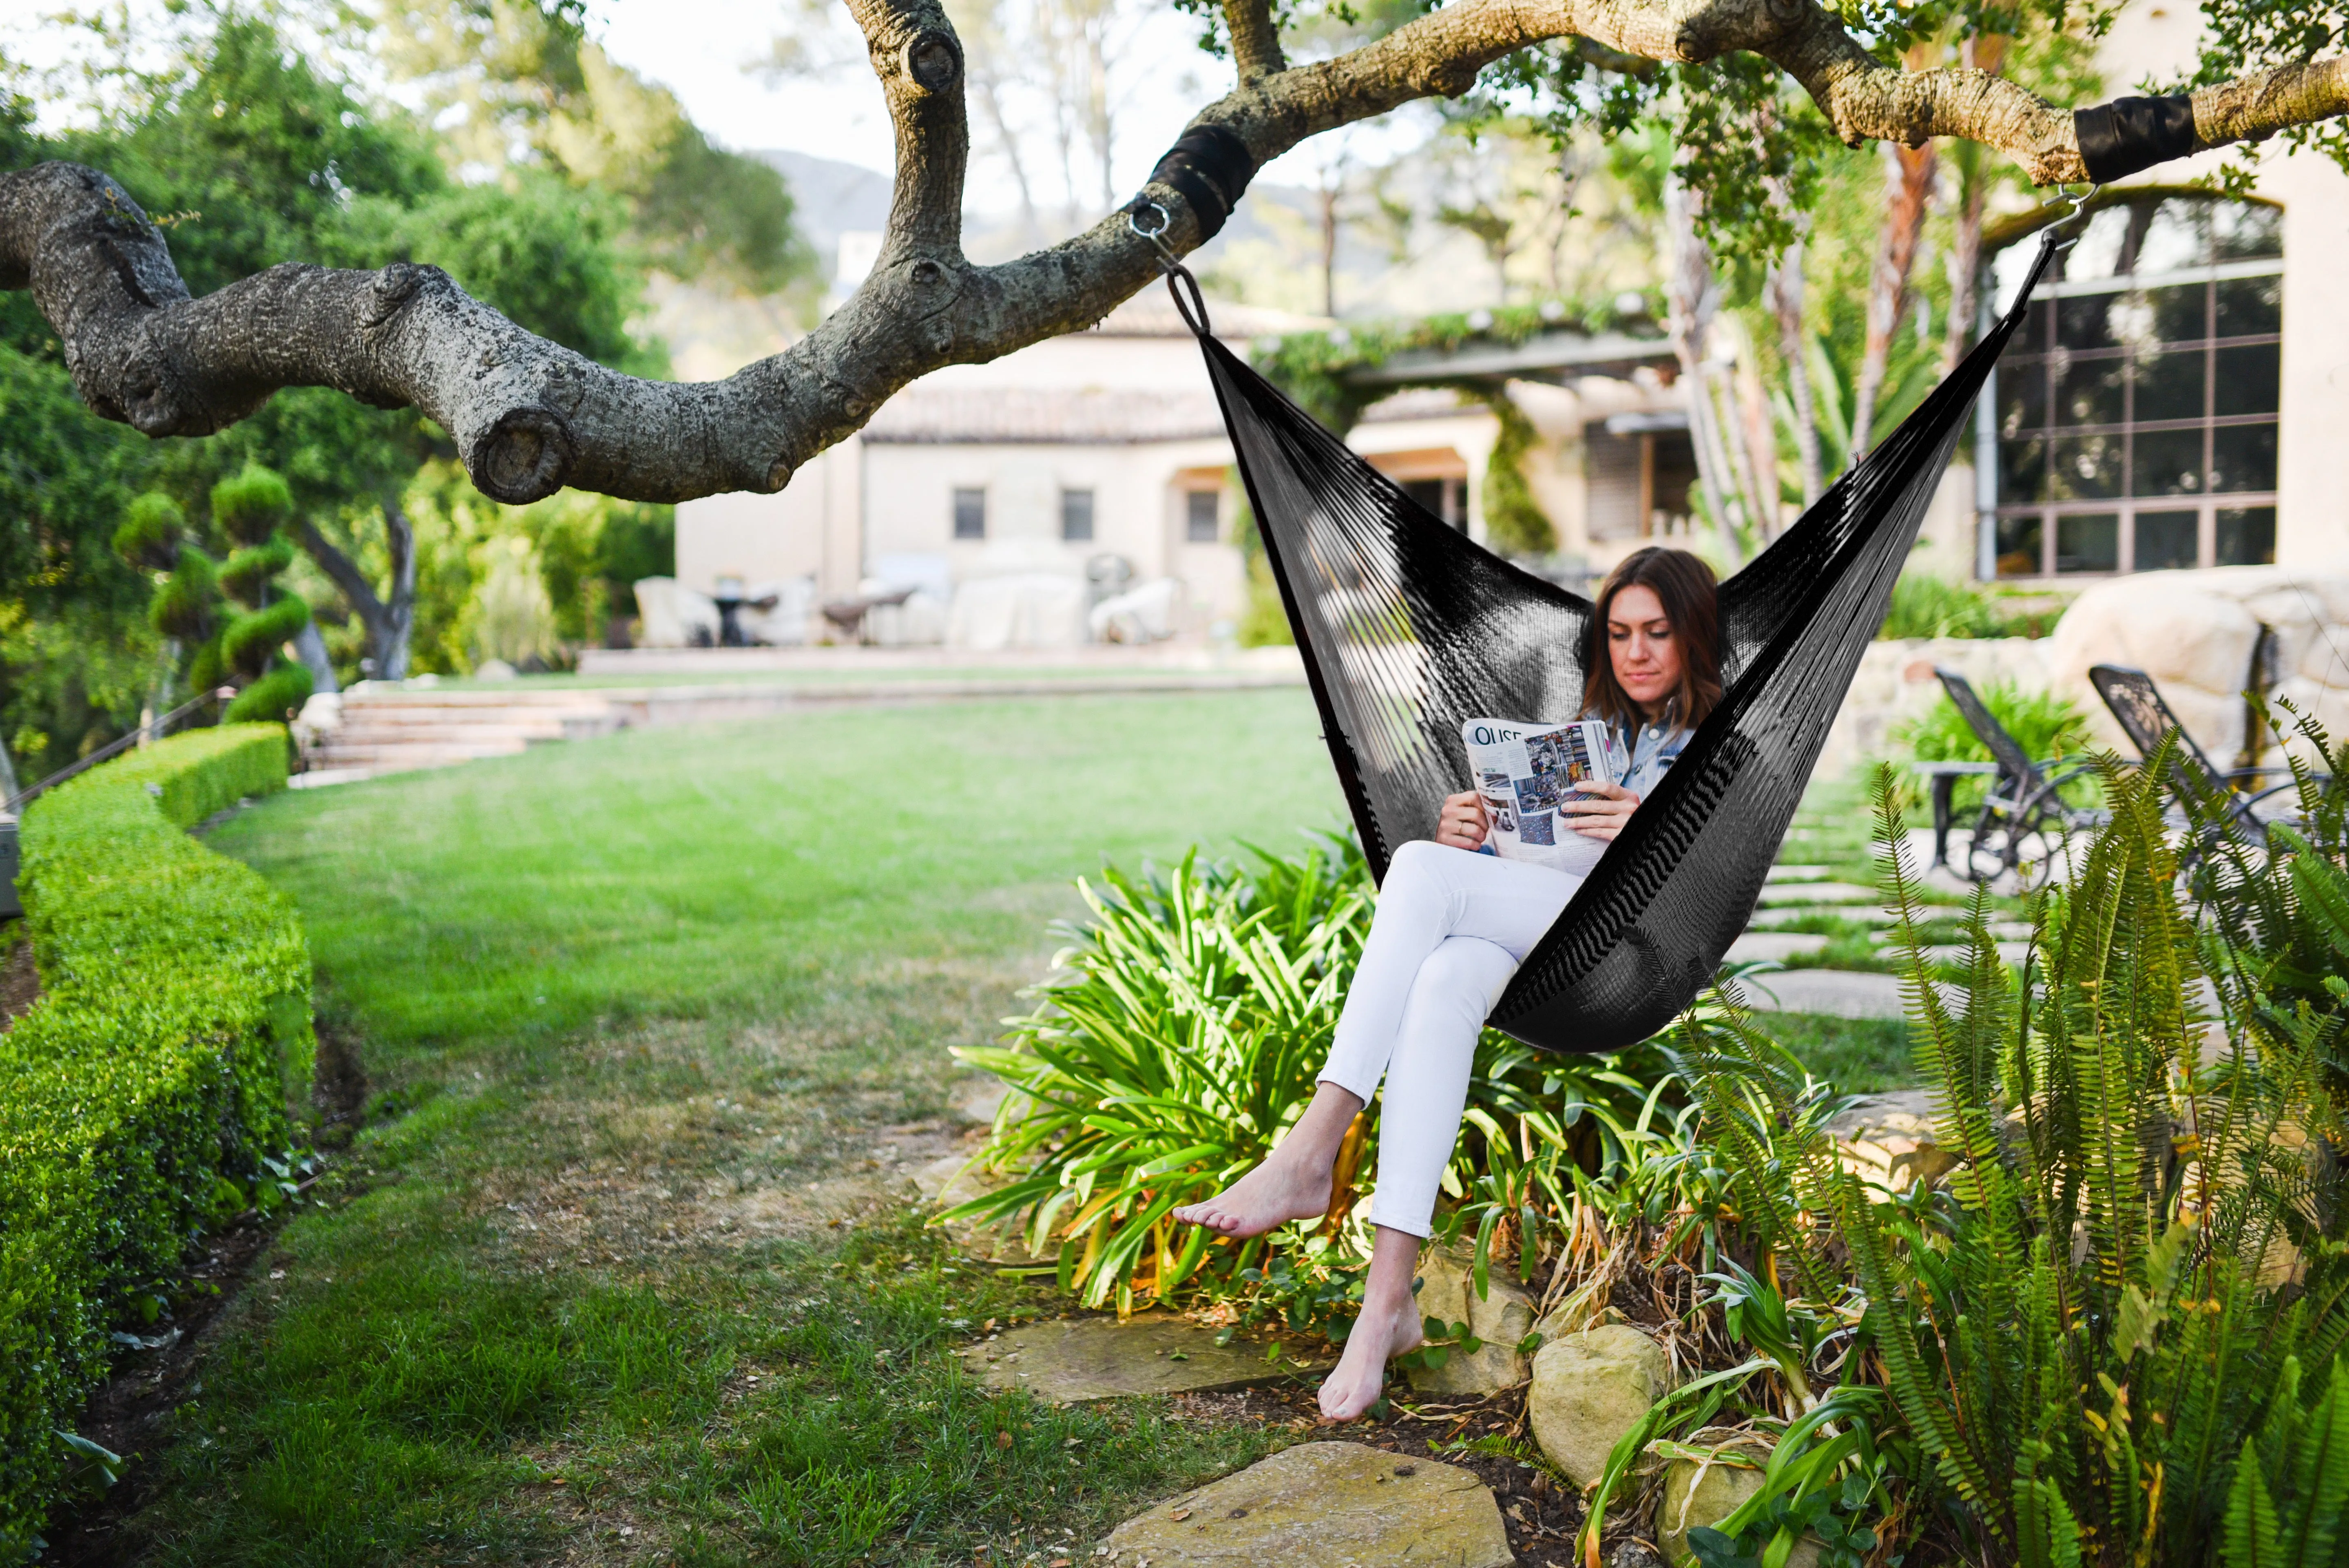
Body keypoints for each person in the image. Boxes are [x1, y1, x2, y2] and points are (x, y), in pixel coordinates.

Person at [1172, 545, 1723, 1421]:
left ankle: (1312, 1150)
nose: (1638, 651)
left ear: (1696, 636)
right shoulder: (1596, 733)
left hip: (1630, 954)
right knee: (1441, 972)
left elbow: (1718, 901)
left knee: (1421, 876)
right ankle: (1386, 1303)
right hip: (1544, 931)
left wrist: (1650, 835)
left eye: (1659, 631)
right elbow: (1532, 861)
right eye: (1619, 633)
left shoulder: (1729, 752)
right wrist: (1474, 828)